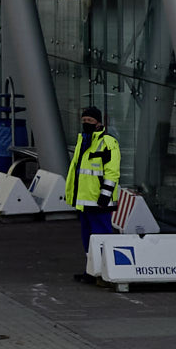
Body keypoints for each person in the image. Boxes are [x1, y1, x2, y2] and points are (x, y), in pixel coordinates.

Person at [67, 104, 122, 271]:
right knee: (88, 239)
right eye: (84, 120)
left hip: (99, 202)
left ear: (98, 123)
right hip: (84, 201)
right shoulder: (82, 141)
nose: (86, 123)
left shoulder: (108, 143)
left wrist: (104, 197)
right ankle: (92, 270)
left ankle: (105, 270)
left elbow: (112, 173)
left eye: (89, 120)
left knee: (101, 237)